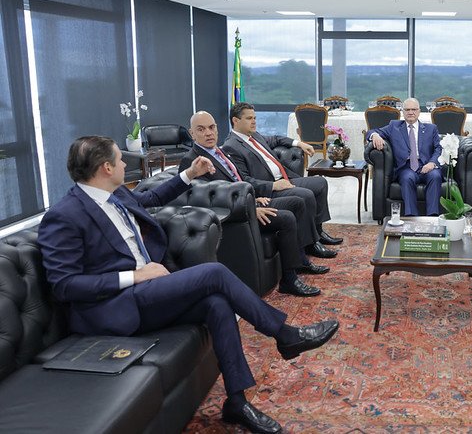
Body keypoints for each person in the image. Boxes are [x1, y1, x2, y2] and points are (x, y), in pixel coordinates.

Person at [37, 136, 339, 433]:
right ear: (106, 167)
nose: (124, 164)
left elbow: (152, 199)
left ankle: (237, 402)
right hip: (114, 306)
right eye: (120, 159)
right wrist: (135, 276)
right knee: (213, 273)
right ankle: (285, 334)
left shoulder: (117, 194)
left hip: (146, 294)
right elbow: (65, 285)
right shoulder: (64, 215)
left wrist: (189, 174)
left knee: (216, 304)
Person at [180, 110, 329, 297]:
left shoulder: (218, 151)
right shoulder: (192, 161)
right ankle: (289, 280)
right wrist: (250, 208)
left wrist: (254, 199)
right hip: (237, 215)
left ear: (217, 128)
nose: (208, 133)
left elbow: (238, 181)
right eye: (201, 129)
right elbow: (204, 201)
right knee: (287, 218)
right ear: (192, 133)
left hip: (249, 202)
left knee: (297, 203)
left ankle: (301, 259)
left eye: (211, 127)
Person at [223, 102, 342, 260]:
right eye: (249, 118)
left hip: (285, 178)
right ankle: (310, 244)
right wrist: (273, 185)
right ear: (235, 120)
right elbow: (244, 180)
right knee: (306, 195)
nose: (254, 121)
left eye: (255, 118)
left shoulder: (254, 135)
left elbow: (276, 139)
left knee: (320, 183)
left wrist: (299, 143)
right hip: (271, 189)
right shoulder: (231, 146)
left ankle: (318, 232)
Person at [366, 97, 443, 216]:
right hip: (406, 167)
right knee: (407, 178)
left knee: (435, 176)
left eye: (414, 109)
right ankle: (411, 217)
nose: (411, 112)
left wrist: (432, 163)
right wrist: (375, 136)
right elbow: (371, 132)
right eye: (407, 109)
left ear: (419, 111)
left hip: (427, 165)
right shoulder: (394, 126)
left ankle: (432, 216)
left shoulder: (431, 128)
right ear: (403, 112)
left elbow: (438, 148)